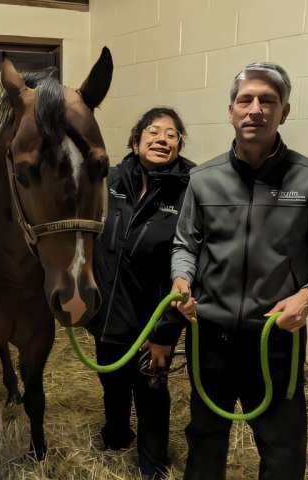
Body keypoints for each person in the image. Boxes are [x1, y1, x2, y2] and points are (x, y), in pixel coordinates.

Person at [171, 63, 308, 480]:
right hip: (209, 336)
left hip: (275, 340)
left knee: (283, 450)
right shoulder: (203, 180)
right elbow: (186, 244)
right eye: (245, 100)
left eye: (267, 100)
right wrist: (181, 277)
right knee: (204, 441)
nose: (255, 109)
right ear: (231, 111)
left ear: (284, 112)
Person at [86, 107, 194, 479]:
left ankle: (152, 464)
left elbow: (188, 265)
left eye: (171, 134)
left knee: (151, 391)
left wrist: (165, 333)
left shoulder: (189, 191)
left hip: (152, 319)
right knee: (112, 381)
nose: (162, 139)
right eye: (153, 131)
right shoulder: (110, 179)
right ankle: (116, 435)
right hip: (108, 312)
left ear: (179, 145)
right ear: (135, 140)